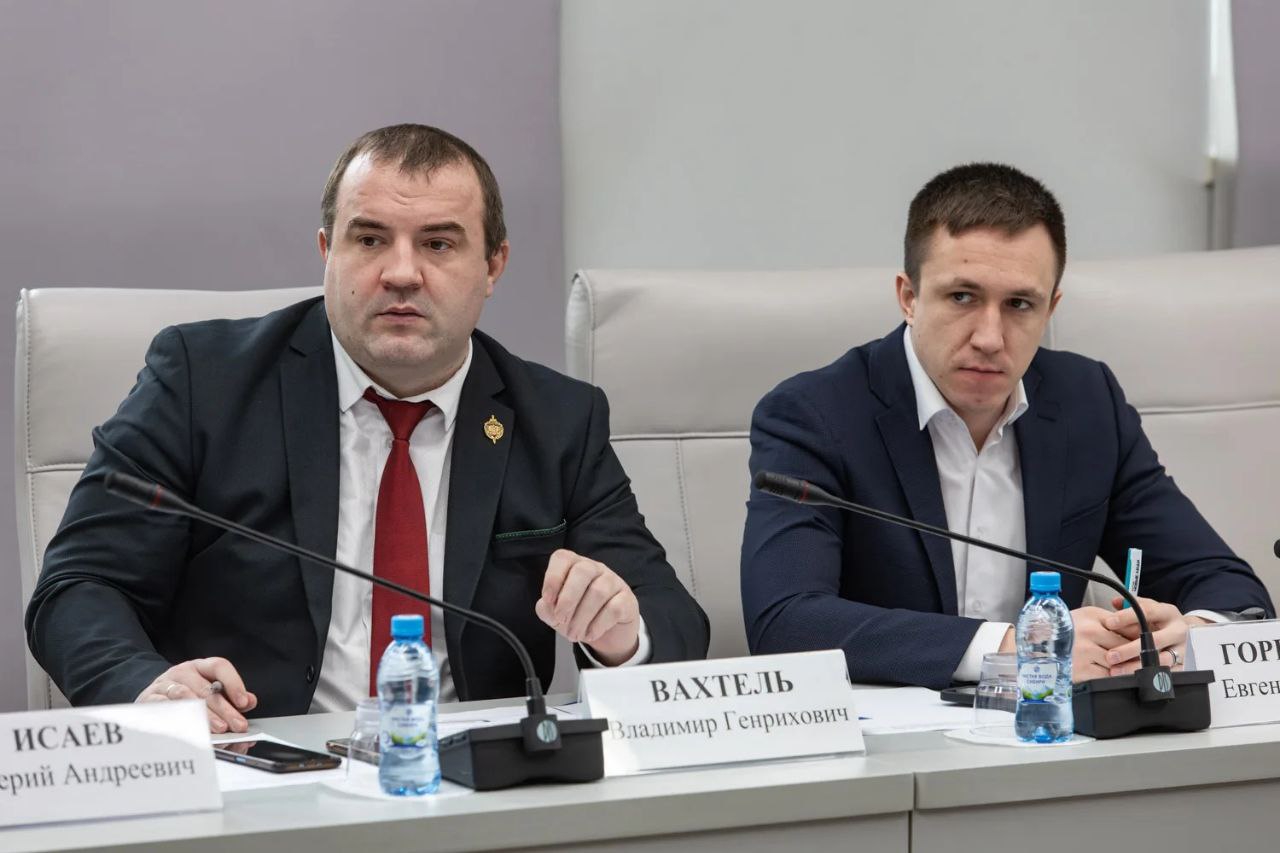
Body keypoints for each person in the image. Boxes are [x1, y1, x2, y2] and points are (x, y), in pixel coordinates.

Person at [26, 124, 709, 732]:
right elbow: (79, 586)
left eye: (438, 243)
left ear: (493, 266)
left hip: (474, 782)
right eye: (370, 239)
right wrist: (147, 686)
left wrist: (623, 636)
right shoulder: (202, 383)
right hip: (256, 766)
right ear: (328, 251)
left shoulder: (556, 419)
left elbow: (671, 618)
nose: (401, 273)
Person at [741, 163, 1272, 690]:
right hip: (890, 733)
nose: (990, 338)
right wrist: (1020, 647)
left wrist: (1189, 635)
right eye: (962, 297)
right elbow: (786, 621)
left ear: (1051, 309)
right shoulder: (815, 414)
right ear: (909, 296)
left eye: (1019, 304)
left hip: (1052, 729)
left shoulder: (1087, 403)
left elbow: (1229, 590)